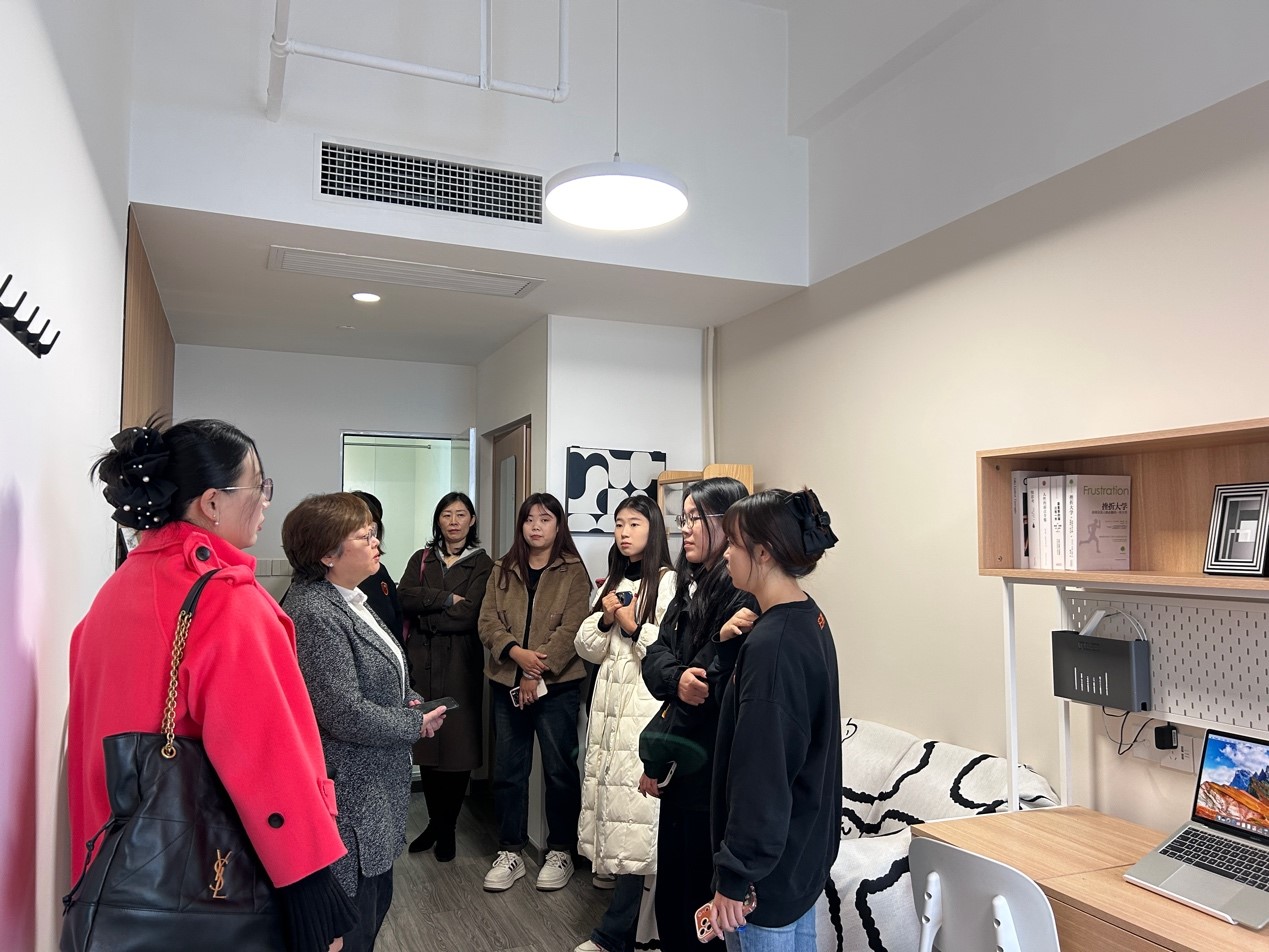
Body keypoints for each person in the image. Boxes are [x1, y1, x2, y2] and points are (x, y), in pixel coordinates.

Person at [69, 419, 357, 952]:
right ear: (211, 503)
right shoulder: (225, 601)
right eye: (259, 485)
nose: (266, 500)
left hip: (113, 878)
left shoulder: (112, 593)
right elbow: (267, 760)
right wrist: (312, 890)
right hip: (213, 883)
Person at [281, 493, 448, 952]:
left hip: (374, 788)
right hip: (350, 792)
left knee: (373, 908)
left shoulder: (350, 597)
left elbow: (386, 673)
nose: (377, 544)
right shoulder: (315, 611)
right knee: (353, 924)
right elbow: (343, 713)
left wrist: (411, 702)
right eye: (364, 536)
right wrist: (412, 724)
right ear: (327, 554)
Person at [706, 489, 841, 951]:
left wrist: (735, 874)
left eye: (733, 543)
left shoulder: (773, 646)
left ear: (762, 552)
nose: (726, 554)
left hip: (764, 881)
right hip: (798, 862)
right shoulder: (809, 617)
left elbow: (761, 773)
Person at [639, 477, 758, 951]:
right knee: (674, 897)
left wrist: (697, 666)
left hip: (710, 769)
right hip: (681, 762)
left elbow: (711, 686)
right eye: (682, 518)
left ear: (728, 525)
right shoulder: (688, 584)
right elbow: (655, 657)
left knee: (695, 903)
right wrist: (678, 679)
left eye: (695, 519)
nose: (684, 529)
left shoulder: (743, 593)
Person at [574, 495, 677, 952]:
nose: (623, 533)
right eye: (618, 524)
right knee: (619, 817)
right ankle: (632, 929)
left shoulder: (669, 582)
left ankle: (614, 935)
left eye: (634, 524)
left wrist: (628, 621)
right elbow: (586, 647)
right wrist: (606, 616)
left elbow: (663, 650)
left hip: (643, 708)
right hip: (609, 710)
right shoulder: (614, 581)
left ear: (653, 530)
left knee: (636, 822)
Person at [477, 492, 591, 892]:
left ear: (558, 526)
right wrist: (516, 654)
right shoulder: (503, 568)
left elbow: (574, 627)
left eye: (545, 519)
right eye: (529, 519)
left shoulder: (573, 570)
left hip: (556, 687)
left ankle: (561, 850)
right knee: (509, 771)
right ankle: (510, 850)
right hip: (506, 682)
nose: (536, 526)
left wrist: (534, 669)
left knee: (560, 771)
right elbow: (487, 621)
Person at [397, 491, 493, 862]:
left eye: (461, 514)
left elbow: (471, 615)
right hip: (421, 660)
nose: (453, 521)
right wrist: (446, 600)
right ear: (438, 520)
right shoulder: (422, 558)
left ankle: (448, 826)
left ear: (472, 520)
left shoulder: (482, 564)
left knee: (457, 746)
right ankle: (435, 823)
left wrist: (428, 611)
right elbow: (404, 597)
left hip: (461, 664)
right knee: (427, 742)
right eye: (447, 515)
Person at [350, 490, 405, 645]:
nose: (374, 541)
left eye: (373, 530)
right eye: (364, 535)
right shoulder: (318, 596)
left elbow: (395, 620)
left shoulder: (379, 571)